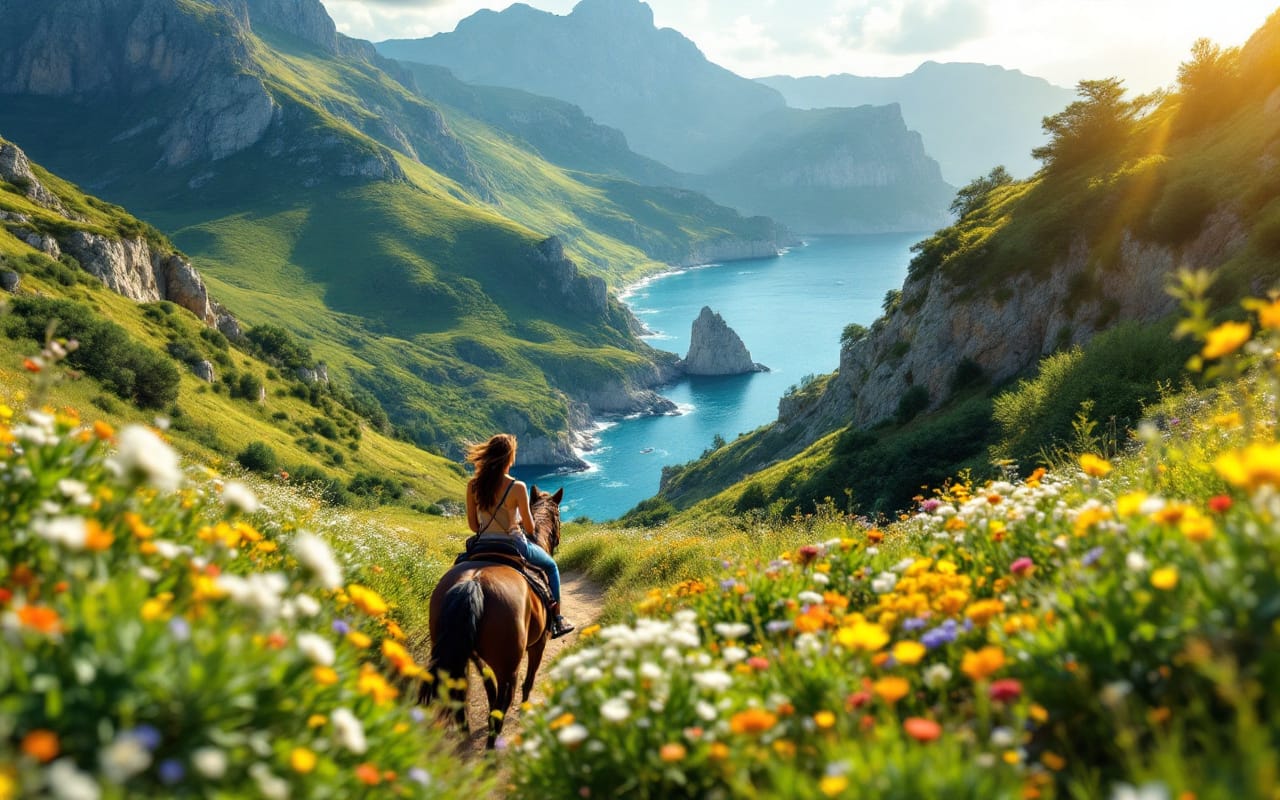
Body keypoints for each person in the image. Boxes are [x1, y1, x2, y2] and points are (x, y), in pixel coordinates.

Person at [465, 434, 574, 638]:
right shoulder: (517, 487)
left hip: (482, 544)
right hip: (513, 545)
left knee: (460, 566)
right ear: (510, 458)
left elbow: (473, 526)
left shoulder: (473, 485)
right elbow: (531, 529)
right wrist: (519, 523)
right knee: (551, 566)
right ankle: (558, 619)